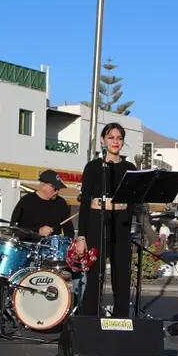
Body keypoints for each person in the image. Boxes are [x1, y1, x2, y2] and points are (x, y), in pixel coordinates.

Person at [74, 123, 136, 317]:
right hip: (97, 221)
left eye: (119, 138)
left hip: (121, 223)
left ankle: (122, 319)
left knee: (122, 275)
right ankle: (89, 319)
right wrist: (81, 236)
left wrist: (128, 220)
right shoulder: (93, 167)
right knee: (95, 274)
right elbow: (84, 202)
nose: (115, 142)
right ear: (102, 140)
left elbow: (133, 199)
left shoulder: (129, 167)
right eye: (111, 137)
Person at [9, 169, 74, 240]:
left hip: (52, 248)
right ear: (43, 185)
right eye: (55, 188)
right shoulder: (26, 201)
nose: (57, 191)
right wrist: (38, 231)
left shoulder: (61, 203)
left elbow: (69, 230)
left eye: (59, 189)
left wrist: (66, 243)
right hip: (29, 247)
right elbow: (14, 228)